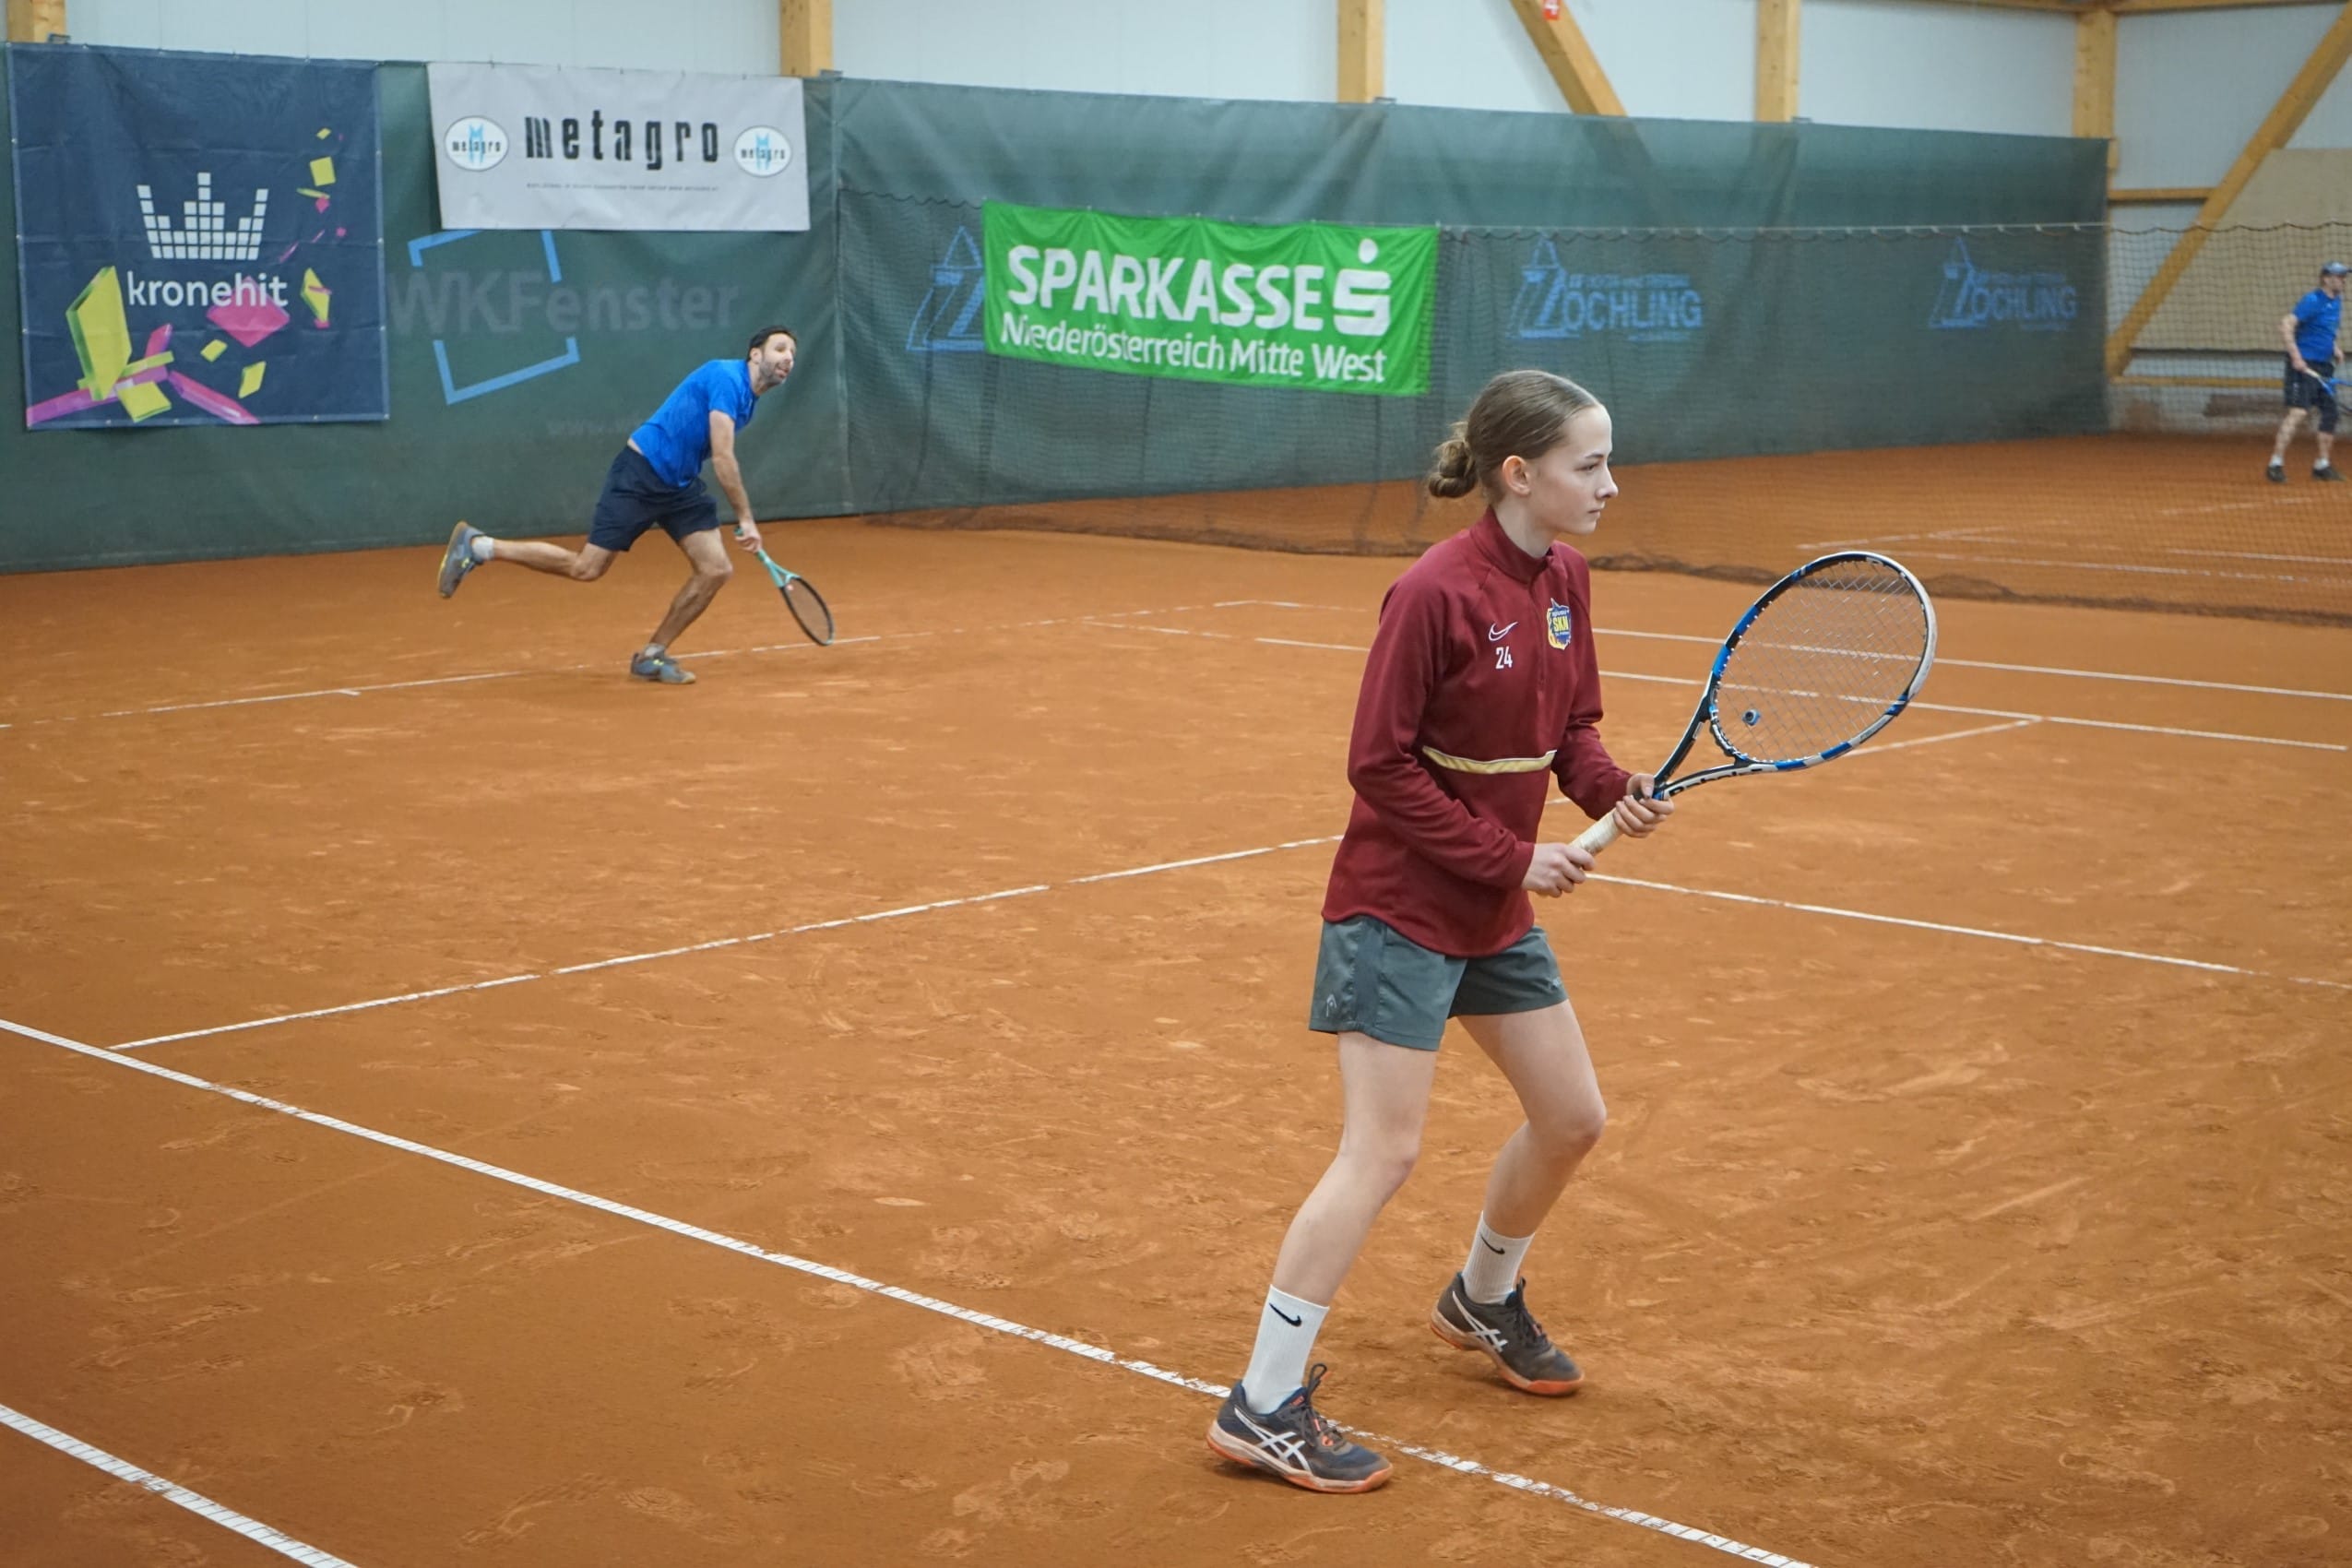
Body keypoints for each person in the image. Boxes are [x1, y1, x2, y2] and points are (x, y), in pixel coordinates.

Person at [1206, 369, 1671, 1494]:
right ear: (1519, 473)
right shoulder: (1432, 591)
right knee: (1384, 1150)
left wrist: (1613, 788)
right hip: (1400, 908)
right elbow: (1377, 764)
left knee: (1571, 1117)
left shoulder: (1567, 578)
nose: (1609, 483)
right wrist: (1513, 855)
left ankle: (1482, 1295)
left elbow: (1573, 728)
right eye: (1589, 464)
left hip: (1489, 911)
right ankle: (1262, 1400)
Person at [434, 327, 799, 683]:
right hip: (641, 473)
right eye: (780, 348)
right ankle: (480, 546)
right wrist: (746, 518)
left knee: (716, 569)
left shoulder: (749, 401)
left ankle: (652, 655)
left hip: (679, 485)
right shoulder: (726, 378)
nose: (788, 359)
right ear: (755, 354)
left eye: (793, 354)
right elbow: (722, 457)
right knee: (586, 568)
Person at [2268, 263, 2347, 484]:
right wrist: (2296, 357)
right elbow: (2286, 325)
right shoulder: (2312, 300)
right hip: (2303, 366)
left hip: (2324, 366)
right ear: (2326, 279)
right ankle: (2275, 463)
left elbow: (2324, 330)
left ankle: (2322, 465)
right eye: (2338, 276)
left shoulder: (2337, 301)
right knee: (2298, 412)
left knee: (2331, 414)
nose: (2343, 280)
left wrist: (2334, 348)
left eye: (2344, 277)